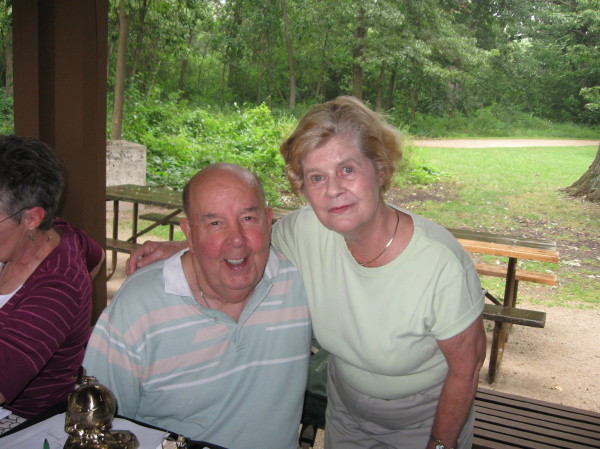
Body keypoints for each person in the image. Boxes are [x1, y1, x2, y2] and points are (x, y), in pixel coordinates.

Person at [127, 97, 486, 449]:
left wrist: (440, 443)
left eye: (347, 169)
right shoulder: (306, 231)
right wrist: (181, 247)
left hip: (425, 414)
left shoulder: (438, 264)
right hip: (346, 409)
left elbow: (466, 368)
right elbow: (248, 242)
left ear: (379, 169)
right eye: (317, 177)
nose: (333, 190)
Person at [83, 163, 311, 449]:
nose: (236, 240)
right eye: (215, 223)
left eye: (248, 218)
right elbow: (96, 426)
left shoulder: (299, 277)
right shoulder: (138, 306)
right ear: (189, 233)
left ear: (268, 221)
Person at [0, 136, 104, 427]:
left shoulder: (57, 290)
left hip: (23, 422)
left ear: (32, 218)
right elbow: (96, 257)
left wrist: (68, 316)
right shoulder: (59, 230)